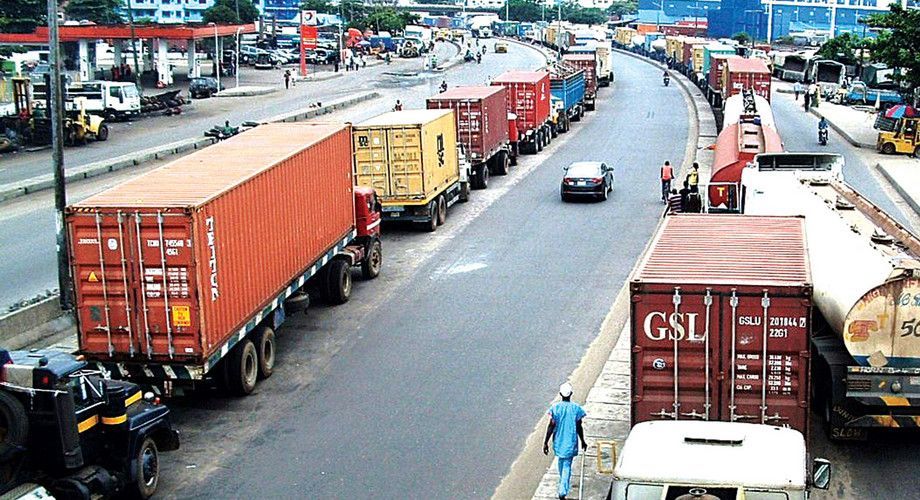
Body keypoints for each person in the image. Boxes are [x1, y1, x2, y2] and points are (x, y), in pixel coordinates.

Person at [543, 383, 587, 500]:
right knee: (566, 465)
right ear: (571, 394)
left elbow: (551, 426)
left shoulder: (555, 408)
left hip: (559, 441)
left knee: (562, 463)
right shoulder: (576, 409)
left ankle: (562, 484)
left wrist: (545, 442)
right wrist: (583, 441)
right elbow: (579, 427)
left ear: (560, 394)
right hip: (570, 442)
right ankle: (562, 490)